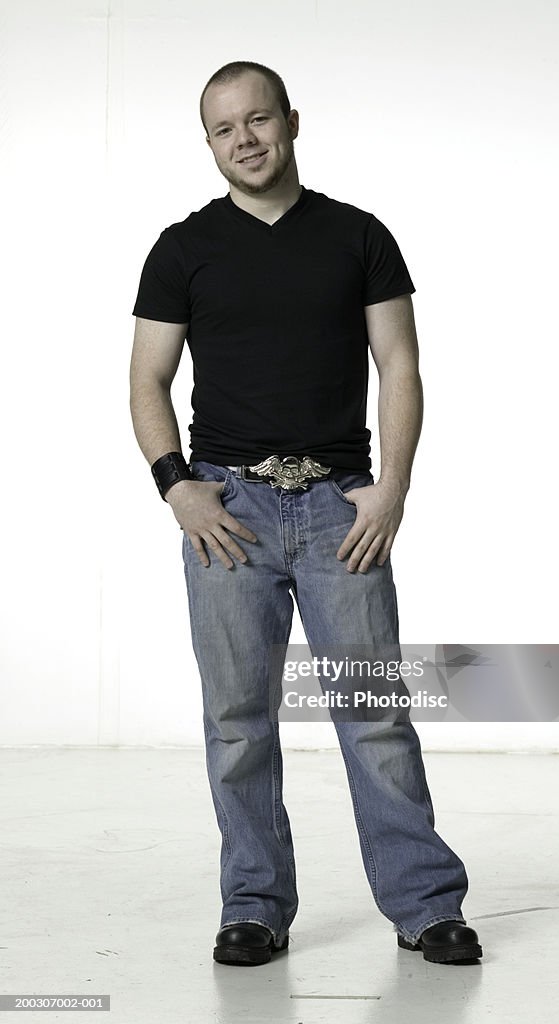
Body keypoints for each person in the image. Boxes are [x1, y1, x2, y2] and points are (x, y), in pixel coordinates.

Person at [129, 60, 483, 967]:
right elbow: (148, 379)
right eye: (223, 129)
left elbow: (398, 366)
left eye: (258, 120)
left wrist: (391, 488)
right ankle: (252, 906)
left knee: (372, 712)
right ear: (207, 143)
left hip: (338, 511)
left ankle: (423, 905)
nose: (244, 139)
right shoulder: (181, 249)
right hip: (229, 512)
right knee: (237, 718)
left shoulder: (357, 236)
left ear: (291, 121)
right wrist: (177, 484)